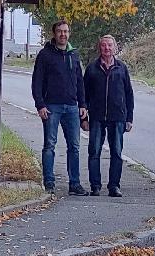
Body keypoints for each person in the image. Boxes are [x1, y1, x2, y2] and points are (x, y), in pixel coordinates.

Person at [32, 20, 89, 196]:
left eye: (65, 31)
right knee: (50, 145)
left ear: (69, 33)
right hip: (51, 107)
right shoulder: (45, 55)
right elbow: (37, 82)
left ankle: (75, 184)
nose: (63, 35)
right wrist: (40, 104)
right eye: (59, 31)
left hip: (72, 107)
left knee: (74, 146)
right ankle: (49, 182)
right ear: (54, 34)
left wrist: (83, 105)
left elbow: (80, 81)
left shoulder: (74, 55)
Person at [83, 35, 134, 197]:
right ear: (100, 48)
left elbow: (128, 94)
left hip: (117, 116)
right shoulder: (92, 68)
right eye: (104, 45)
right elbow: (84, 95)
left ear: (115, 47)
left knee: (117, 153)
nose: (107, 48)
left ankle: (114, 186)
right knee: (94, 152)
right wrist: (83, 118)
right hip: (97, 116)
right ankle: (95, 186)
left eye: (110, 45)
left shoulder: (122, 68)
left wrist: (129, 118)